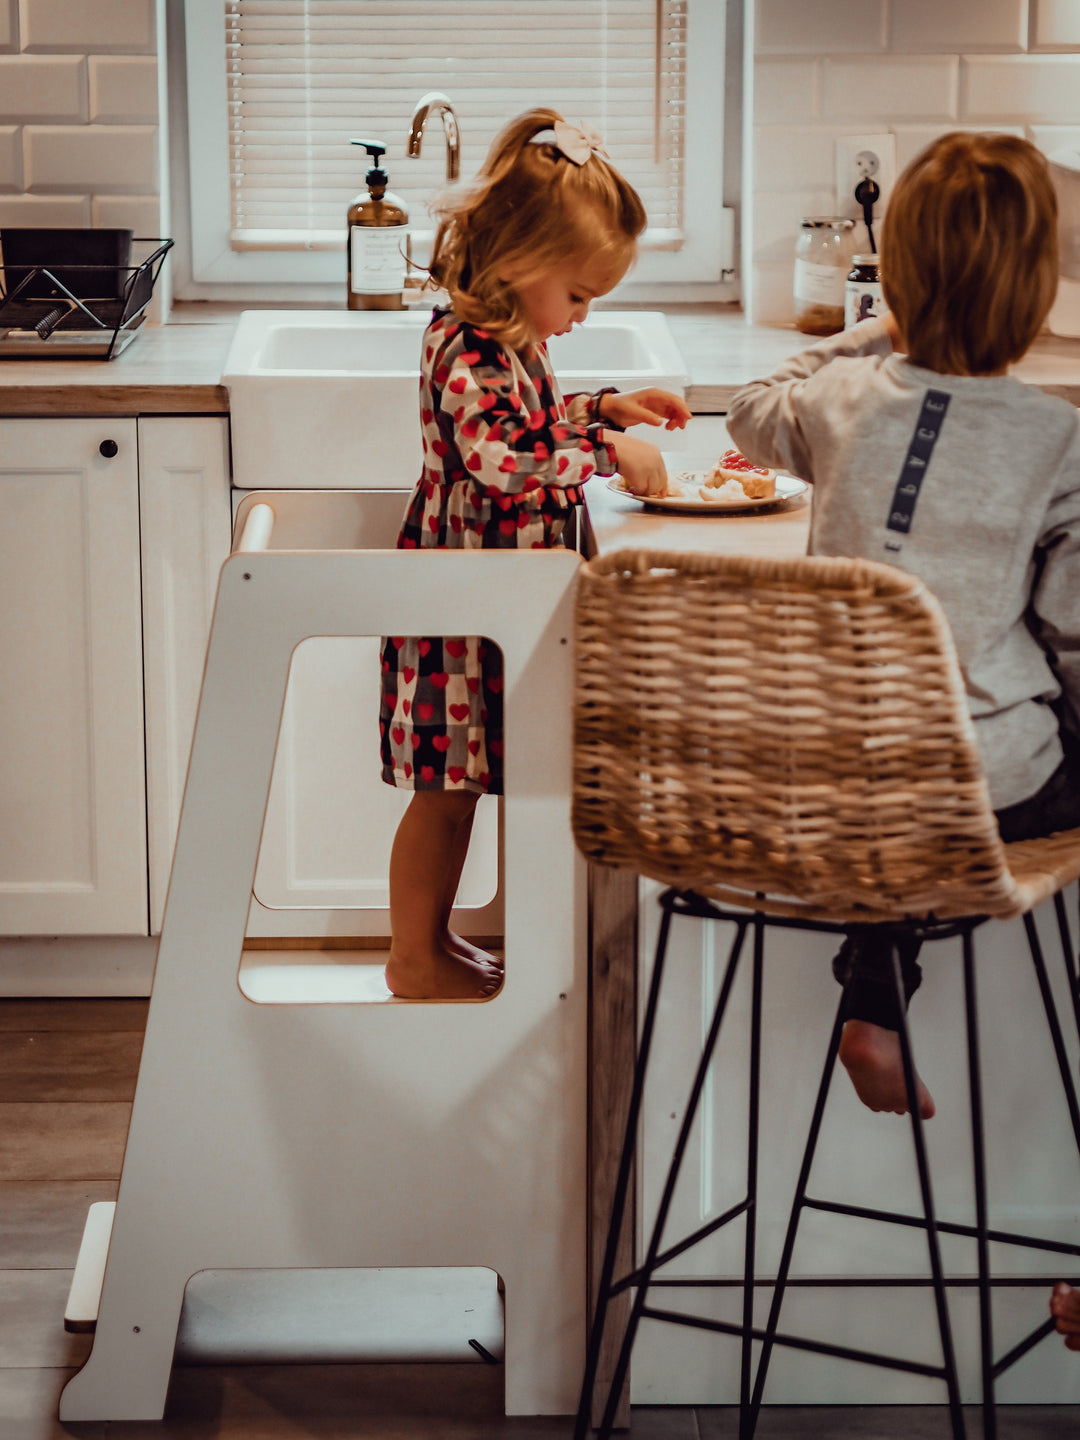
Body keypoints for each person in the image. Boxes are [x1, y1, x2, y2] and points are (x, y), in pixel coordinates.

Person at [727, 131, 1080, 1121]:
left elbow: (750, 407)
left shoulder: (840, 399)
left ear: (902, 282)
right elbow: (1070, 631)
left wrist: (875, 334)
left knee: (897, 786)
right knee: (979, 760)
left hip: (831, 779)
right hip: (979, 798)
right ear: (1037, 292)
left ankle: (874, 1000)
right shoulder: (1057, 438)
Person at [379, 108, 691, 1001]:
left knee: (464, 787)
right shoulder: (465, 345)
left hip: (494, 609)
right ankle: (413, 957)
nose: (584, 316)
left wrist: (604, 411)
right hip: (459, 607)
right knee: (444, 791)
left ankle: (432, 946)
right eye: (580, 294)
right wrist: (601, 455)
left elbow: (533, 427)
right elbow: (502, 461)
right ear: (518, 266)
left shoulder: (513, 335)